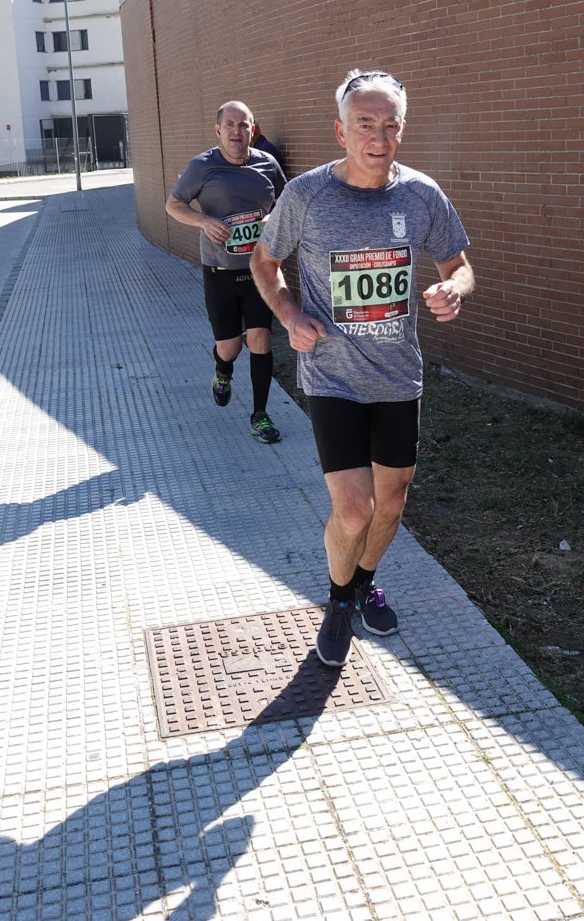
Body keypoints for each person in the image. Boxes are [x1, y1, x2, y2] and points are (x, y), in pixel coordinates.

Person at [251, 69, 475, 665]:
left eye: (390, 124)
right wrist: (289, 312)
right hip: (332, 375)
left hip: (397, 376)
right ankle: (338, 601)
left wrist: (454, 288)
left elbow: (459, 263)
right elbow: (265, 261)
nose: (378, 136)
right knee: (354, 508)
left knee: (392, 503)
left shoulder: (422, 194)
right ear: (341, 131)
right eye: (364, 124)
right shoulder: (306, 195)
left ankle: (364, 580)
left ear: (402, 129)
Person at [166, 100, 285, 444]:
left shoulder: (268, 164)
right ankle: (222, 371)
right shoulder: (202, 167)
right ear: (218, 130)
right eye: (230, 125)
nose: (237, 131)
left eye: (243, 125)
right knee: (230, 347)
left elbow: (285, 203)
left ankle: (260, 415)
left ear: (253, 129)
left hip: (261, 270)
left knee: (261, 340)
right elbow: (173, 205)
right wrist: (203, 220)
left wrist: (272, 220)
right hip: (220, 271)